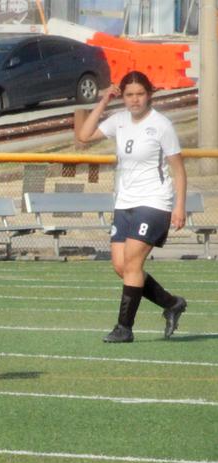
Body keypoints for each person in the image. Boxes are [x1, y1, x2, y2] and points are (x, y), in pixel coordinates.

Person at [77, 71, 187, 343]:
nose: (135, 100)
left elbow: (179, 170)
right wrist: (104, 101)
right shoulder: (119, 121)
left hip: (154, 202)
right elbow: (83, 135)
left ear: (149, 94)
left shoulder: (161, 125)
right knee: (120, 266)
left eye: (140, 94)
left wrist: (179, 206)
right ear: (122, 97)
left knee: (133, 262)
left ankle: (124, 328)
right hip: (124, 202)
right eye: (129, 95)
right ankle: (172, 303)